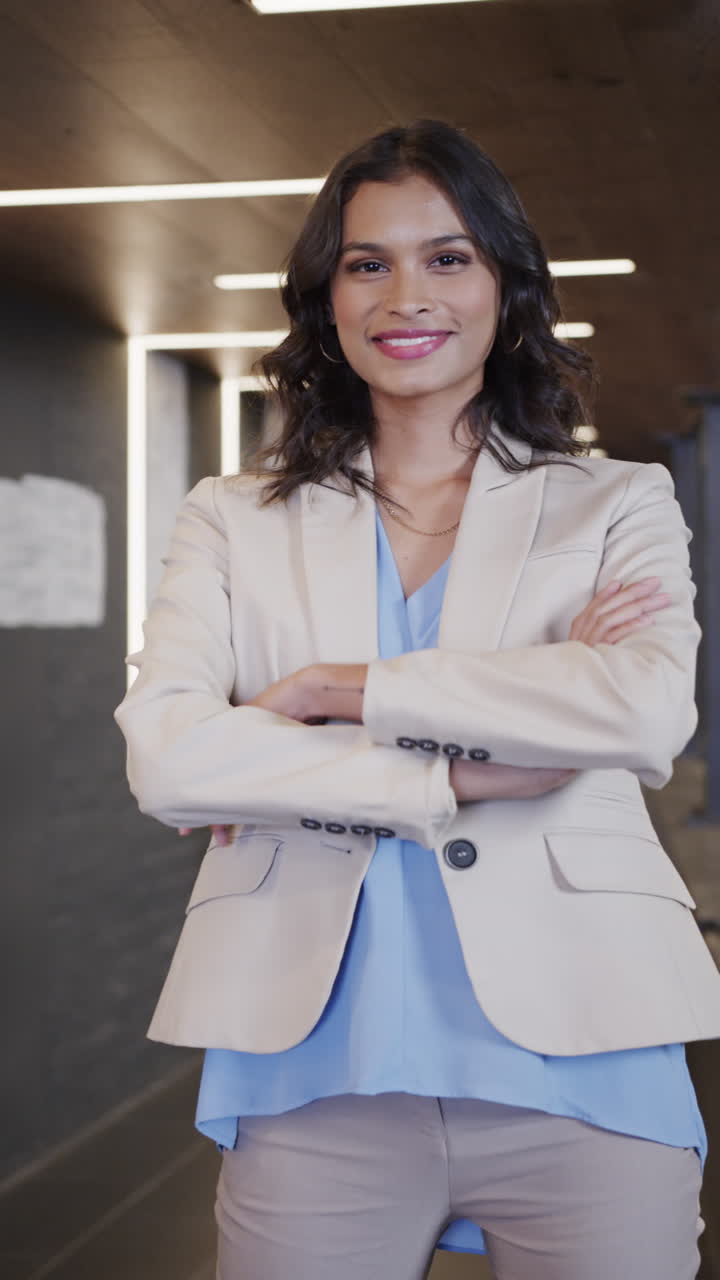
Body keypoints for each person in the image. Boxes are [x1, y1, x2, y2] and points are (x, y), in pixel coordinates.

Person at [114, 120, 720, 1280]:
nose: (408, 294)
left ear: (506, 284)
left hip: (586, 1053)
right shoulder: (231, 518)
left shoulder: (616, 504)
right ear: (326, 297)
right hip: (313, 1070)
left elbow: (639, 715)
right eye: (366, 261)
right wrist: (454, 772)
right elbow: (173, 758)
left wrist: (343, 692)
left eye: (449, 257)